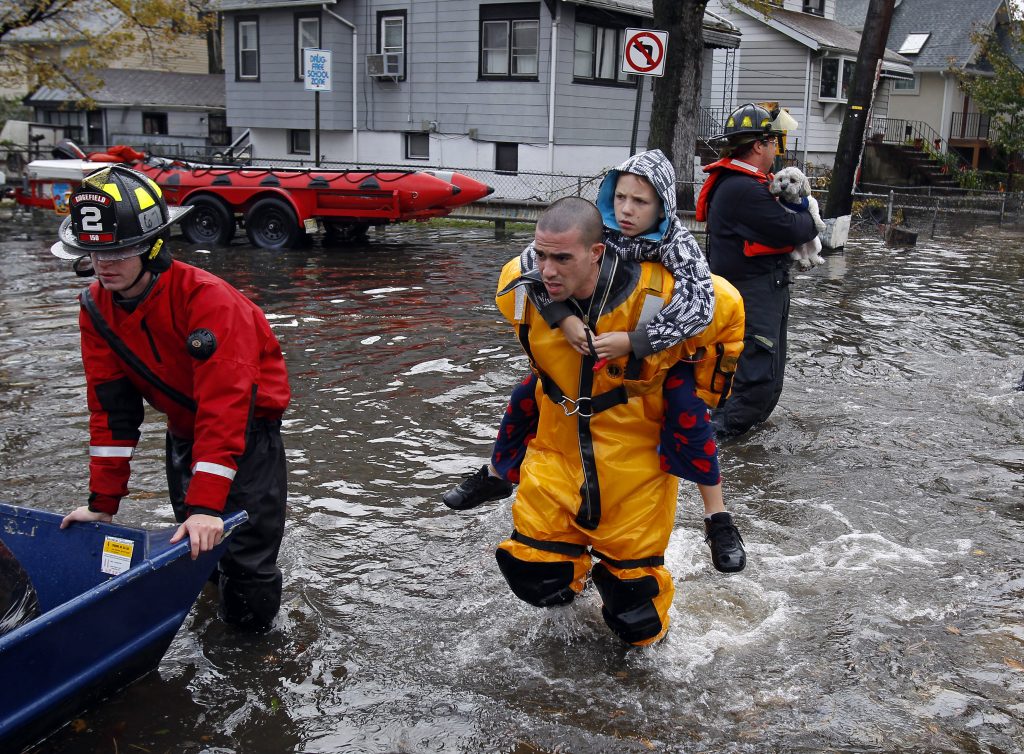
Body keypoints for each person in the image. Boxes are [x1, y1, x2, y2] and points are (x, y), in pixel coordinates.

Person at [443, 150, 747, 572]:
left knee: (688, 414)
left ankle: (717, 517)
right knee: (528, 394)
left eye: (640, 202)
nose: (626, 210)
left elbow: (700, 305)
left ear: (662, 204)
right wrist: (561, 317)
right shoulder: (592, 229)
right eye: (620, 197)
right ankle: (497, 473)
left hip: (652, 353)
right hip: (585, 352)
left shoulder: (678, 243)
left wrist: (635, 341)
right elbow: (533, 265)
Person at [52, 165, 290, 632]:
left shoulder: (210, 303)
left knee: (247, 564)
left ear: (154, 246)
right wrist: (103, 502)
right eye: (95, 253)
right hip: (184, 434)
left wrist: (207, 504)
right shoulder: (96, 310)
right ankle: (209, 613)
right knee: (196, 550)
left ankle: (255, 655)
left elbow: (227, 408)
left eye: (121, 250)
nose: (106, 265)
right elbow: (110, 412)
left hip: (247, 439)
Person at [492, 196, 726, 645]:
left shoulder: (667, 294)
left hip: (635, 467)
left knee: (636, 615)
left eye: (563, 258)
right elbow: (528, 280)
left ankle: (703, 533)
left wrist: (641, 342)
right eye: (541, 256)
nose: (548, 270)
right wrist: (559, 316)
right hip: (556, 454)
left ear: (596, 253)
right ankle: (571, 578)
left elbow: (721, 316)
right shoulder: (522, 284)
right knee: (530, 573)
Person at [696, 103, 820, 439]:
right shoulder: (743, 189)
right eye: (774, 143)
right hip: (750, 293)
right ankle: (722, 449)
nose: (777, 150)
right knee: (753, 374)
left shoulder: (748, 185)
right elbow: (796, 229)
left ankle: (742, 452)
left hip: (764, 289)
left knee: (766, 374)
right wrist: (810, 217)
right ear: (758, 146)